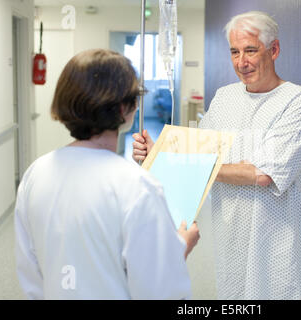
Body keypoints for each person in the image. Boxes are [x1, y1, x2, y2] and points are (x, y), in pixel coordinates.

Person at [133, 11, 301, 300]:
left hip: (278, 244)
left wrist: (184, 159)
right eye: (234, 52)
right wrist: (154, 154)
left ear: (274, 50)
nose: (241, 62)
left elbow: (263, 174)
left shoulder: (298, 103)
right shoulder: (224, 98)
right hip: (231, 239)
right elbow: (197, 153)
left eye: (250, 50)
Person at [14, 49, 200, 300]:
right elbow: (161, 291)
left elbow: (31, 276)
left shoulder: (35, 174)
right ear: (126, 108)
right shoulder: (137, 186)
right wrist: (181, 247)